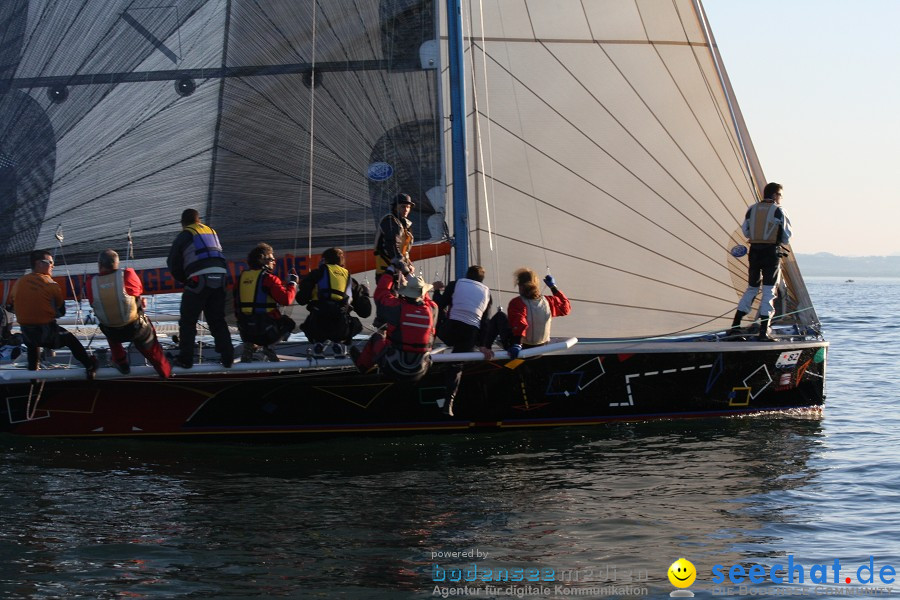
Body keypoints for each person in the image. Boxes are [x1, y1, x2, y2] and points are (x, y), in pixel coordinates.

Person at [8, 250, 98, 378]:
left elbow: (13, 305)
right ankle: (90, 366)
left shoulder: (18, 283)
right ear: (38, 263)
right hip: (48, 334)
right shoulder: (51, 284)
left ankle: (33, 375)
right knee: (70, 339)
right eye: (50, 262)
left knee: (32, 344)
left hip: (28, 334)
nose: (53, 266)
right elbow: (62, 312)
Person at [85, 249, 171, 378]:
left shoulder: (90, 283)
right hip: (136, 329)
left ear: (99, 265)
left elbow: (93, 303)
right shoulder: (127, 274)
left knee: (108, 322)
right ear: (117, 263)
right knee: (150, 344)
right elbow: (138, 291)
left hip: (112, 332)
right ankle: (164, 371)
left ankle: (120, 362)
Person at [166, 208, 234, 368]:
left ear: (183, 223)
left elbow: (173, 263)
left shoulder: (184, 235)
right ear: (199, 220)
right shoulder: (211, 232)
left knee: (188, 321)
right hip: (221, 278)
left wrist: (185, 280)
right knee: (217, 319)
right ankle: (228, 356)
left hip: (199, 279)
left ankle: (186, 359)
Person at [729, 182, 792, 341]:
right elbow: (786, 237)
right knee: (769, 291)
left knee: (752, 288)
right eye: (780, 196)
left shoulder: (752, 209)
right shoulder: (779, 211)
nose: (781, 199)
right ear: (775, 195)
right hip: (771, 253)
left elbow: (746, 231)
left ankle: (735, 327)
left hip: (754, 252)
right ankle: (764, 332)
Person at [351, 271, 437, 382]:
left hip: (393, 367)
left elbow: (381, 294)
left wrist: (389, 272)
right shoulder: (432, 309)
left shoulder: (397, 308)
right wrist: (410, 275)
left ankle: (362, 365)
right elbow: (427, 299)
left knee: (377, 337)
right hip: (419, 371)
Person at [433, 265, 494, 417]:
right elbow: (485, 322)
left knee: (436, 311)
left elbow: (440, 304)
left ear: (467, 275)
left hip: (449, 331)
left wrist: (436, 290)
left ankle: (426, 344)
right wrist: (482, 345)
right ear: (481, 280)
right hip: (470, 335)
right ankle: (449, 403)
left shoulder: (456, 284)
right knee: (457, 365)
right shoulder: (487, 293)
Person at [297, 247, 371, 357]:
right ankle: (339, 343)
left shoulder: (316, 274)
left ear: (324, 261)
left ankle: (318, 343)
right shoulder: (350, 280)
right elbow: (365, 312)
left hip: (317, 325)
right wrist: (365, 293)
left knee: (307, 325)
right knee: (357, 325)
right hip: (341, 327)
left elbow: (301, 299)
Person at [234, 243, 299, 362]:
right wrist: (292, 284)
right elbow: (286, 300)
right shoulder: (269, 279)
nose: (274, 262)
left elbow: (236, 306)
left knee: (252, 322)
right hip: (265, 332)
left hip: (246, 332)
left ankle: (250, 345)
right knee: (288, 323)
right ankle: (269, 347)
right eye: (271, 259)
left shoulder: (241, 278)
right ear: (261, 259)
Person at [487, 268, 571, 358]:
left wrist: (517, 344)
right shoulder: (548, 301)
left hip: (522, 349)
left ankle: (485, 348)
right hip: (540, 349)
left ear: (520, 286)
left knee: (500, 316)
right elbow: (565, 308)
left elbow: (520, 323)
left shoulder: (517, 303)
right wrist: (553, 287)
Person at [373, 193, 416, 278]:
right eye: (403, 206)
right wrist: (406, 271)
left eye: (408, 207)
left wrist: (409, 264)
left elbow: (403, 252)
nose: (406, 209)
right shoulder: (390, 221)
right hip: (387, 272)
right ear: (395, 207)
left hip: (398, 271)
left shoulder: (404, 225)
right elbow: (392, 244)